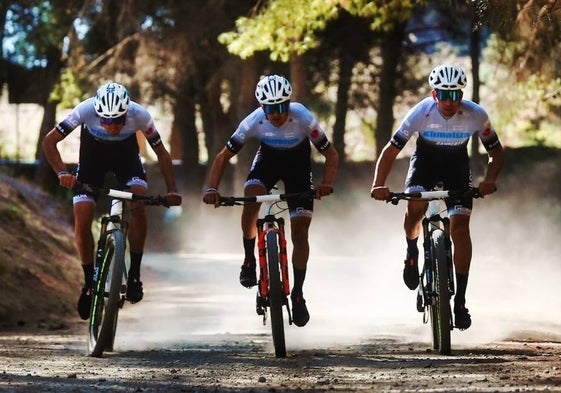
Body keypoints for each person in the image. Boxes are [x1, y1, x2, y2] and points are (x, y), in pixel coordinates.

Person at [370, 64, 504, 330]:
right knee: (415, 209)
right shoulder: (421, 112)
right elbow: (391, 150)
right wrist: (378, 184)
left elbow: (496, 152)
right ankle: (411, 252)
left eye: (455, 95)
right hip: (425, 166)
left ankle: (461, 301)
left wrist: (489, 180)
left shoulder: (476, 114)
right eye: (444, 94)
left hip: (457, 169)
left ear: (461, 95)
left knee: (461, 228)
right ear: (434, 94)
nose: (450, 101)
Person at [202, 74, 339, 327]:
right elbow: (223, 156)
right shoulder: (253, 121)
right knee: (251, 194)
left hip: (299, 169)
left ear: (289, 103)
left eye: (281, 107)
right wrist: (212, 188)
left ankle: (297, 293)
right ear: (261, 107)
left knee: (300, 233)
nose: (276, 114)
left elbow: (330, 153)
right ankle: (248, 258)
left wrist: (326, 184)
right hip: (267, 163)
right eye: (270, 109)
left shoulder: (303, 117)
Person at [42, 82, 182, 320]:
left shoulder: (140, 115)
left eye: (118, 120)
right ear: (98, 114)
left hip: (126, 161)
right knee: (83, 220)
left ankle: (135, 274)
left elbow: (162, 153)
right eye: (106, 121)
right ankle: (88, 283)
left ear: (127, 112)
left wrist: (172, 190)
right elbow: (49, 141)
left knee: (138, 202)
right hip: (91, 163)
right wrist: (62, 173)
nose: (113, 126)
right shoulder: (84, 110)